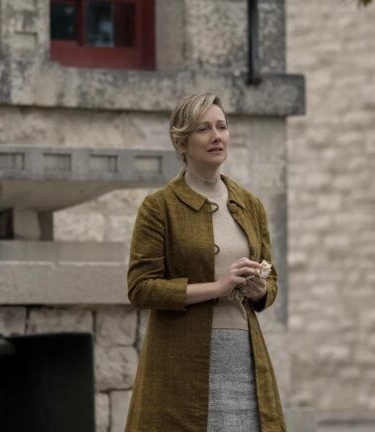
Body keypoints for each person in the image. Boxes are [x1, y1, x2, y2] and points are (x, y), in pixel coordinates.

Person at [125, 91, 286, 432]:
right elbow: (140, 289)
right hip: (179, 361)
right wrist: (218, 287)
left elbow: (271, 278)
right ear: (181, 142)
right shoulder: (159, 207)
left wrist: (260, 288)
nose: (216, 136)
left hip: (244, 353)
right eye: (204, 129)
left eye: (222, 127)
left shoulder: (251, 205)